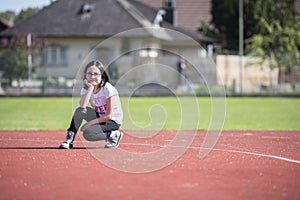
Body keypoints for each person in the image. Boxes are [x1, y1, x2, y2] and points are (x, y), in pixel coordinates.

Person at [59, 60, 123, 149]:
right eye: (89, 73)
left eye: (96, 74)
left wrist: (89, 123)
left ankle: (114, 134)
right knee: (79, 111)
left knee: (89, 134)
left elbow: (108, 116)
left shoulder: (108, 89)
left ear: (102, 75)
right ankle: (69, 140)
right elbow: (82, 106)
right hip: (99, 117)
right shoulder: (87, 89)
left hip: (112, 121)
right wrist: (90, 89)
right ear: (85, 75)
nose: (92, 77)